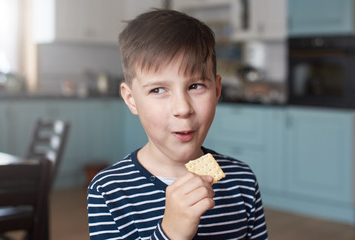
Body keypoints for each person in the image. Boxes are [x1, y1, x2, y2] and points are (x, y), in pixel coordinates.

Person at [87, 9, 268, 240]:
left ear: (217, 90)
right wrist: (170, 232)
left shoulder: (242, 180)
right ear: (131, 100)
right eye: (158, 89)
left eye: (196, 86)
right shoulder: (109, 190)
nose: (182, 109)